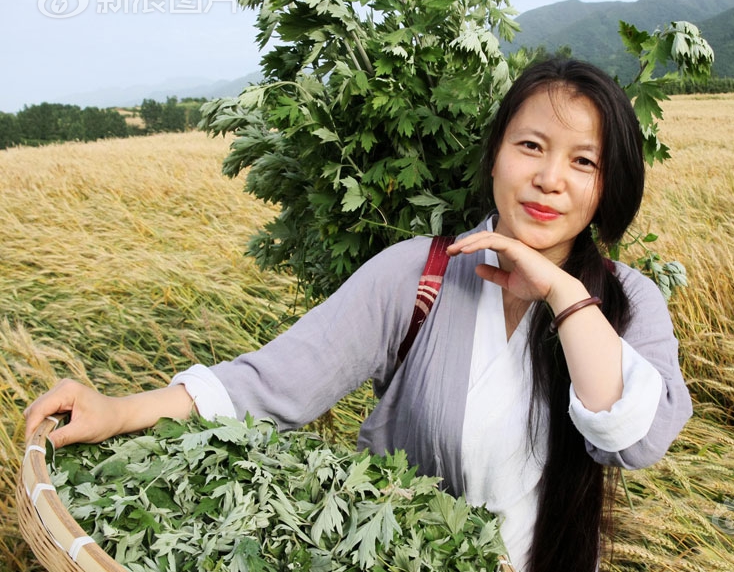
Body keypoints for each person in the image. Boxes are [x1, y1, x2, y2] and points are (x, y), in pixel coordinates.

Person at [24, 58, 692, 572]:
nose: (551, 178)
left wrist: (560, 291)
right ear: (494, 157)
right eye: (531, 147)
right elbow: (269, 383)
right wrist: (116, 409)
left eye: (584, 161)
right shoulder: (417, 274)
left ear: (611, 185)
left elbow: (632, 439)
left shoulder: (628, 302)